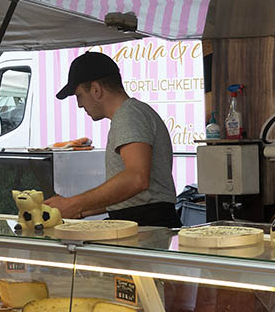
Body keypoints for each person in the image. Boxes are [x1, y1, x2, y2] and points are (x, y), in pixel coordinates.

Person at [44, 51, 181, 228]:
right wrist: (78, 210)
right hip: (143, 222)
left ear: (96, 89)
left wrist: (74, 204)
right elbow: (128, 196)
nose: (79, 105)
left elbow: (137, 178)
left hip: (148, 225)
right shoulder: (131, 114)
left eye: (79, 95)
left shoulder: (129, 115)